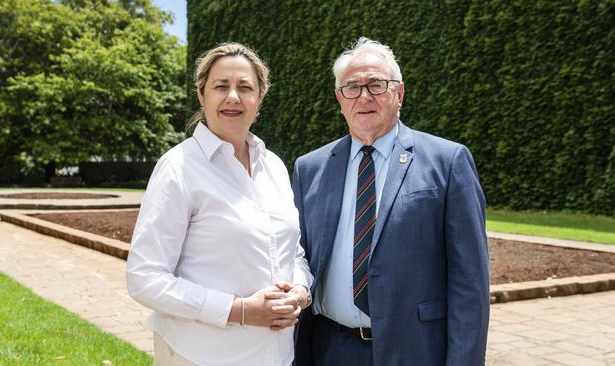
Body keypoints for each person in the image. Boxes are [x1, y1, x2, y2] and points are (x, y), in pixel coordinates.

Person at [292, 37, 490, 366]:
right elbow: (296, 255)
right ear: (340, 98)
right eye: (352, 87)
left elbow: (470, 284)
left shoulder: (448, 161)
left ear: (399, 93)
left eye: (376, 84)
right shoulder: (309, 168)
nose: (364, 96)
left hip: (416, 350)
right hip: (328, 349)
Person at [126, 42, 312, 366]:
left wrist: (300, 289)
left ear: (260, 98)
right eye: (221, 86)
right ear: (202, 95)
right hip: (200, 356)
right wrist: (237, 310)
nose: (233, 97)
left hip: (276, 355)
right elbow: (145, 278)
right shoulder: (179, 167)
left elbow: (291, 250)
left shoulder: (275, 167)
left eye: (245, 87)